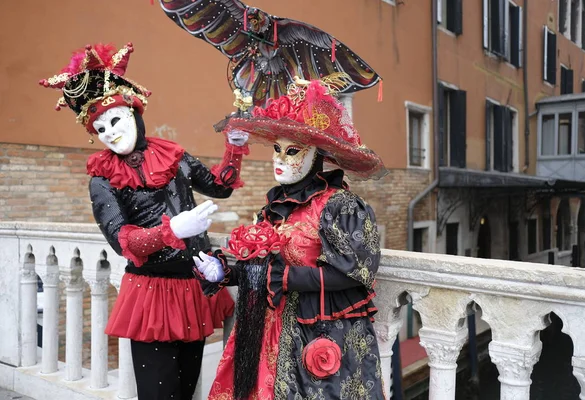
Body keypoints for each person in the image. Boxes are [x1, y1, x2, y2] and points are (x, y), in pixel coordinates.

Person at [40, 42, 249, 400]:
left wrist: (234, 146)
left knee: (185, 389)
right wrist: (173, 231)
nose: (111, 133)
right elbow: (123, 240)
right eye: (101, 129)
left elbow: (220, 187)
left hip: (193, 288)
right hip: (151, 294)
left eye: (116, 120)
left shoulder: (175, 156)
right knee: (158, 394)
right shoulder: (102, 178)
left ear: (134, 112)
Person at [194, 75, 387, 400]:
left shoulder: (339, 205)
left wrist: (286, 277)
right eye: (276, 149)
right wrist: (227, 272)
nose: (280, 159)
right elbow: (263, 269)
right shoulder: (275, 206)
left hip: (315, 331)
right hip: (265, 330)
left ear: (317, 155)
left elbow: (355, 272)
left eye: (293, 150)